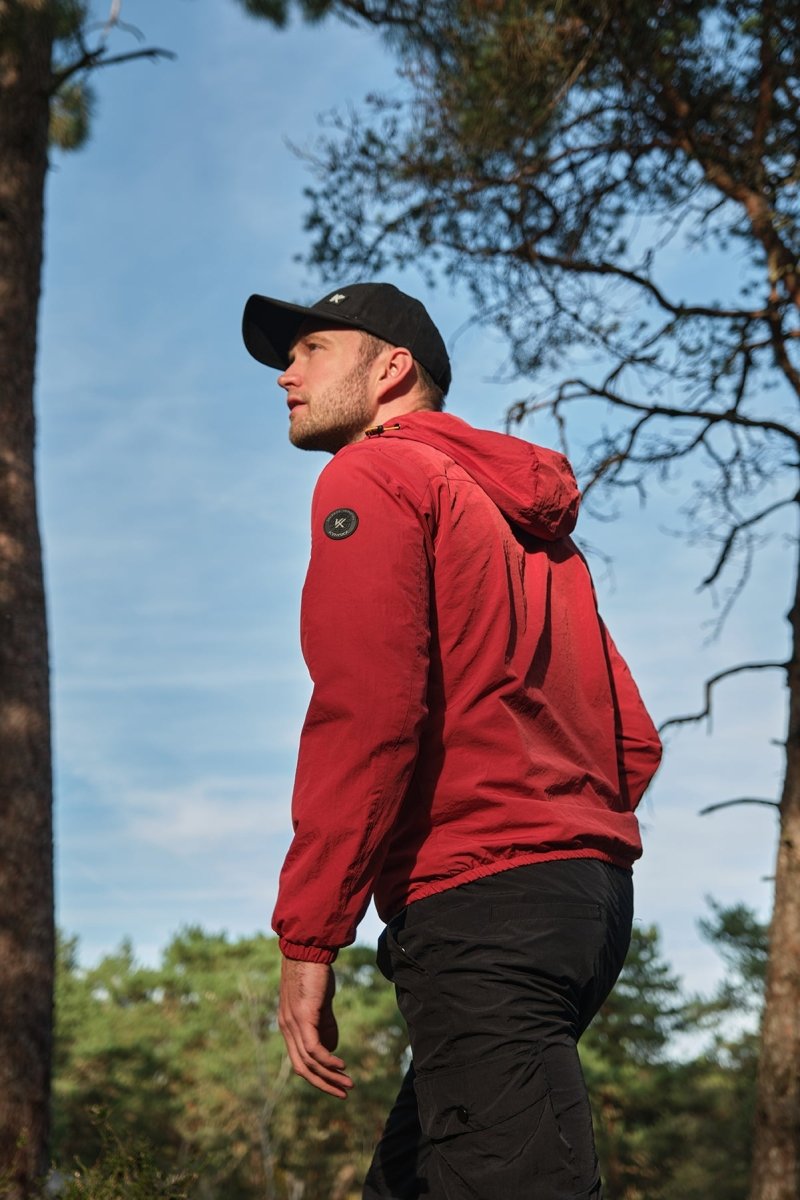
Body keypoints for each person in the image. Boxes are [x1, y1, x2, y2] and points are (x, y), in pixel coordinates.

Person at [242, 281, 662, 1199]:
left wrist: (311, 938)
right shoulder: (526, 521)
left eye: (311, 349)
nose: (285, 373)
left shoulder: (371, 475)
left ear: (391, 368)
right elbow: (629, 738)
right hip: (583, 904)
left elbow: (367, 711)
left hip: (484, 899)